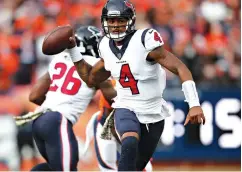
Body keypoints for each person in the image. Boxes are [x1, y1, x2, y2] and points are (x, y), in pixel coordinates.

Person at [64, 0, 206, 171]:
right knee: (129, 140)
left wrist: (194, 103)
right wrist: (73, 50)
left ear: (130, 21)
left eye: (121, 20)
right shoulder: (105, 47)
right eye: (111, 20)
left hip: (153, 113)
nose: (115, 25)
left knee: (137, 167)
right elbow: (91, 78)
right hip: (126, 107)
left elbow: (180, 67)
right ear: (105, 21)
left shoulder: (145, 40)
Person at [28, 25, 116, 171]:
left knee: (54, 168)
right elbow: (112, 98)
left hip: (39, 120)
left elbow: (34, 95)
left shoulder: (59, 59)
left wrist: (55, 106)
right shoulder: (95, 65)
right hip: (57, 121)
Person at [82, 80, 153, 171]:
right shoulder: (113, 88)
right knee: (109, 166)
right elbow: (110, 123)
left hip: (129, 129)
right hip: (106, 127)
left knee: (144, 168)